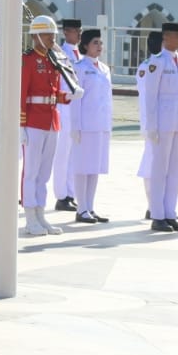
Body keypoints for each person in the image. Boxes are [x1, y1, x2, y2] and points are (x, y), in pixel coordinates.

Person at [140, 21, 178, 233]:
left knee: (175, 170)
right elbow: (150, 97)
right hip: (162, 122)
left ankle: (170, 213)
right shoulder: (157, 62)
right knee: (159, 170)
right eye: (176, 36)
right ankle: (158, 214)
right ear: (165, 38)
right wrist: (151, 126)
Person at [69, 29, 112, 224]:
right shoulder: (79, 67)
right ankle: (81, 208)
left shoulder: (104, 68)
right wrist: (75, 126)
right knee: (82, 167)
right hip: (85, 125)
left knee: (95, 168)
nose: (99, 46)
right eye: (95, 43)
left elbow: (107, 99)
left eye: (100, 43)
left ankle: (90, 207)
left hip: (100, 124)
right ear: (85, 45)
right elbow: (76, 100)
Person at [50, 18, 83, 212]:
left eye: (79, 31)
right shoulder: (59, 53)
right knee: (62, 155)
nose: (78, 34)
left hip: (77, 108)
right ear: (66, 33)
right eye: (74, 31)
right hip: (64, 106)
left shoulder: (79, 53)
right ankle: (61, 195)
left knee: (73, 155)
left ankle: (70, 193)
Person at [135, 30, 164, 218]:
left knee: (160, 164)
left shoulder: (148, 65)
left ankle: (157, 205)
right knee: (152, 163)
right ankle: (152, 205)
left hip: (160, 121)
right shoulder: (151, 66)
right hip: (153, 122)